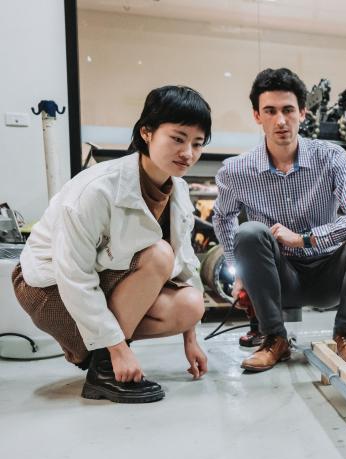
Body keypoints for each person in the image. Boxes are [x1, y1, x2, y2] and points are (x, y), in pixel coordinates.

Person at [13, 85, 211, 403]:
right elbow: (73, 274)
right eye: (178, 138)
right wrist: (117, 350)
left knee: (190, 305)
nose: (188, 152)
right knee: (159, 254)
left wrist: (191, 338)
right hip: (48, 289)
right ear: (147, 133)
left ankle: (102, 351)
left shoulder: (180, 190)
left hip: (106, 280)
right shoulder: (96, 189)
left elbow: (186, 263)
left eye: (197, 143)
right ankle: (105, 369)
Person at [212, 68, 346, 371]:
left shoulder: (331, 158)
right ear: (257, 116)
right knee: (250, 232)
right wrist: (236, 267)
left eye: (288, 110)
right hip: (279, 277)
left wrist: (305, 238)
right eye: (270, 111)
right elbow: (223, 216)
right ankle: (274, 339)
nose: (280, 120)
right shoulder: (236, 171)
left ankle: (345, 335)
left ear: (303, 113)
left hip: (330, 275)